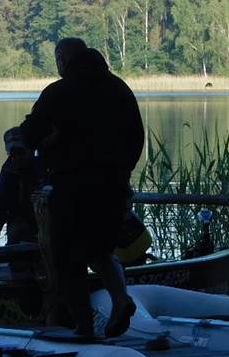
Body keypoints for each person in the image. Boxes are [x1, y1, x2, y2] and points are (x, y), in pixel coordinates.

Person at [16, 38, 144, 338]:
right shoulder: (120, 89)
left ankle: (84, 327)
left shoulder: (60, 92)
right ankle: (120, 300)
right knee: (101, 251)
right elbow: (136, 138)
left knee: (67, 260)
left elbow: (30, 133)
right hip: (114, 188)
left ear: (62, 60)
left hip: (73, 189)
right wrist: (121, 173)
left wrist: (36, 142)